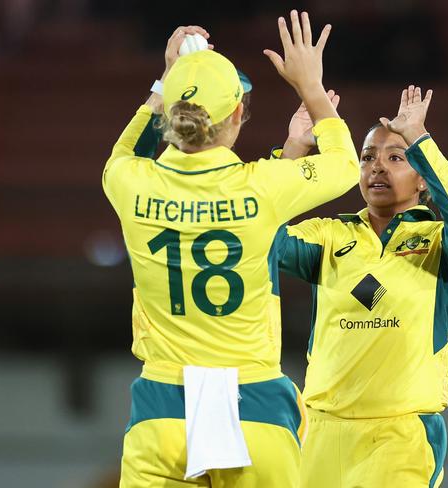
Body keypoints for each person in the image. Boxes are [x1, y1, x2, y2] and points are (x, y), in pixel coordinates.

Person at [102, 10, 360, 488]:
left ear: (172, 114)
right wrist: (312, 89)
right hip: (255, 407)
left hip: (164, 408)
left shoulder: (129, 185)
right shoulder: (262, 188)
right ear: (238, 112)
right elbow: (346, 166)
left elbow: (125, 155)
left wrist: (166, 78)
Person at [276, 85, 448, 487]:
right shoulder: (328, 236)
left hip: (400, 435)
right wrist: (292, 150)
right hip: (322, 430)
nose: (378, 168)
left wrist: (420, 141)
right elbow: (258, 237)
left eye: (396, 158)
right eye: (367, 158)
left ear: (422, 179)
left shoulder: (442, 242)